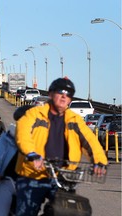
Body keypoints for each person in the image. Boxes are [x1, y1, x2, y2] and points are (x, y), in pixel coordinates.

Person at [15, 77, 108, 216]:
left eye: (69, 93)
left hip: (62, 176)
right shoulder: (35, 114)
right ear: (51, 94)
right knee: (26, 212)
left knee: (68, 211)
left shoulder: (74, 119)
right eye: (61, 92)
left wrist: (99, 161)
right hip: (33, 173)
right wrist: (32, 153)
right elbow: (23, 134)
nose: (64, 96)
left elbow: (90, 141)